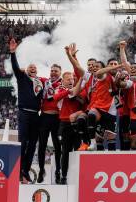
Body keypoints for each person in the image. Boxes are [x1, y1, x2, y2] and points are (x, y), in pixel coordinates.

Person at [9, 38, 45, 184]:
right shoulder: (22, 78)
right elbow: (15, 67)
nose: (32, 68)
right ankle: (18, 170)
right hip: (24, 113)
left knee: (32, 145)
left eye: (35, 68)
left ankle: (25, 170)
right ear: (26, 69)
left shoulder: (40, 83)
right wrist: (13, 52)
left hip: (36, 115)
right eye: (30, 67)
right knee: (22, 143)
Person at [53, 70, 83, 184]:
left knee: (77, 150)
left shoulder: (78, 90)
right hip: (64, 124)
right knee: (65, 151)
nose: (71, 81)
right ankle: (64, 176)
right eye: (68, 79)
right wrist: (68, 92)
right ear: (63, 80)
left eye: (72, 79)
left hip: (77, 124)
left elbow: (84, 102)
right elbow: (55, 98)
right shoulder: (60, 90)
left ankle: (78, 176)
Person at [37, 63, 62, 183]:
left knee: (58, 146)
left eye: (56, 71)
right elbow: (31, 76)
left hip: (57, 118)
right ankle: (41, 170)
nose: (53, 73)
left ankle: (58, 171)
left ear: (60, 73)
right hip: (44, 117)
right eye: (52, 71)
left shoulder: (63, 83)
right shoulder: (45, 81)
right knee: (41, 145)